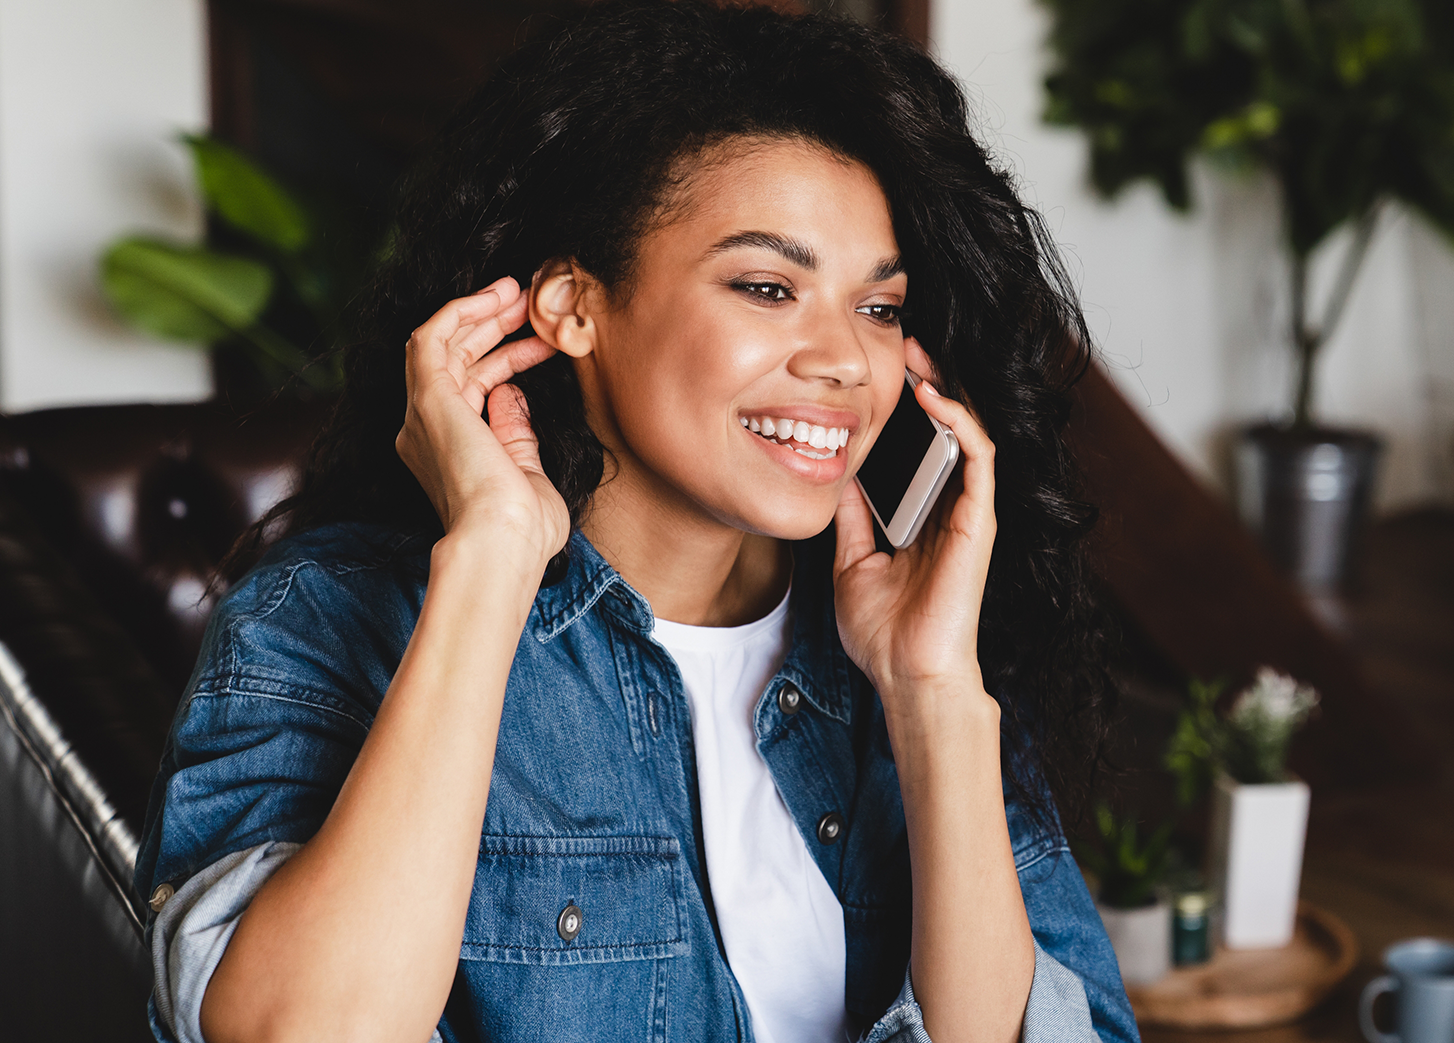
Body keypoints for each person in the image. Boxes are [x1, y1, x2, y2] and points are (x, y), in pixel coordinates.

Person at [130, 4, 1134, 1042]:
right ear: (573, 307)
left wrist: (932, 697)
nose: (844, 358)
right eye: (767, 286)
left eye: (879, 308)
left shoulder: (908, 646)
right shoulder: (319, 617)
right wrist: (490, 560)